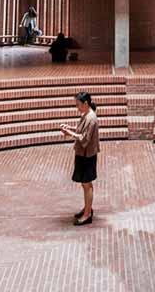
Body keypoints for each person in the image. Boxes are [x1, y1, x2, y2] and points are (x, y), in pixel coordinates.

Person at [59, 91, 99, 226]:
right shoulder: (86, 115)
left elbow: (84, 139)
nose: (77, 107)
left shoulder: (91, 118)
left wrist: (68, 133)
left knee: (87, 184)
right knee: (85, 183)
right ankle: (87, 208)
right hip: (83, 154)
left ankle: (87, 214)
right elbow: (80, 130)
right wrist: (69, 127)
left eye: (78, 105)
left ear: (86, 103)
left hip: (87, 155)